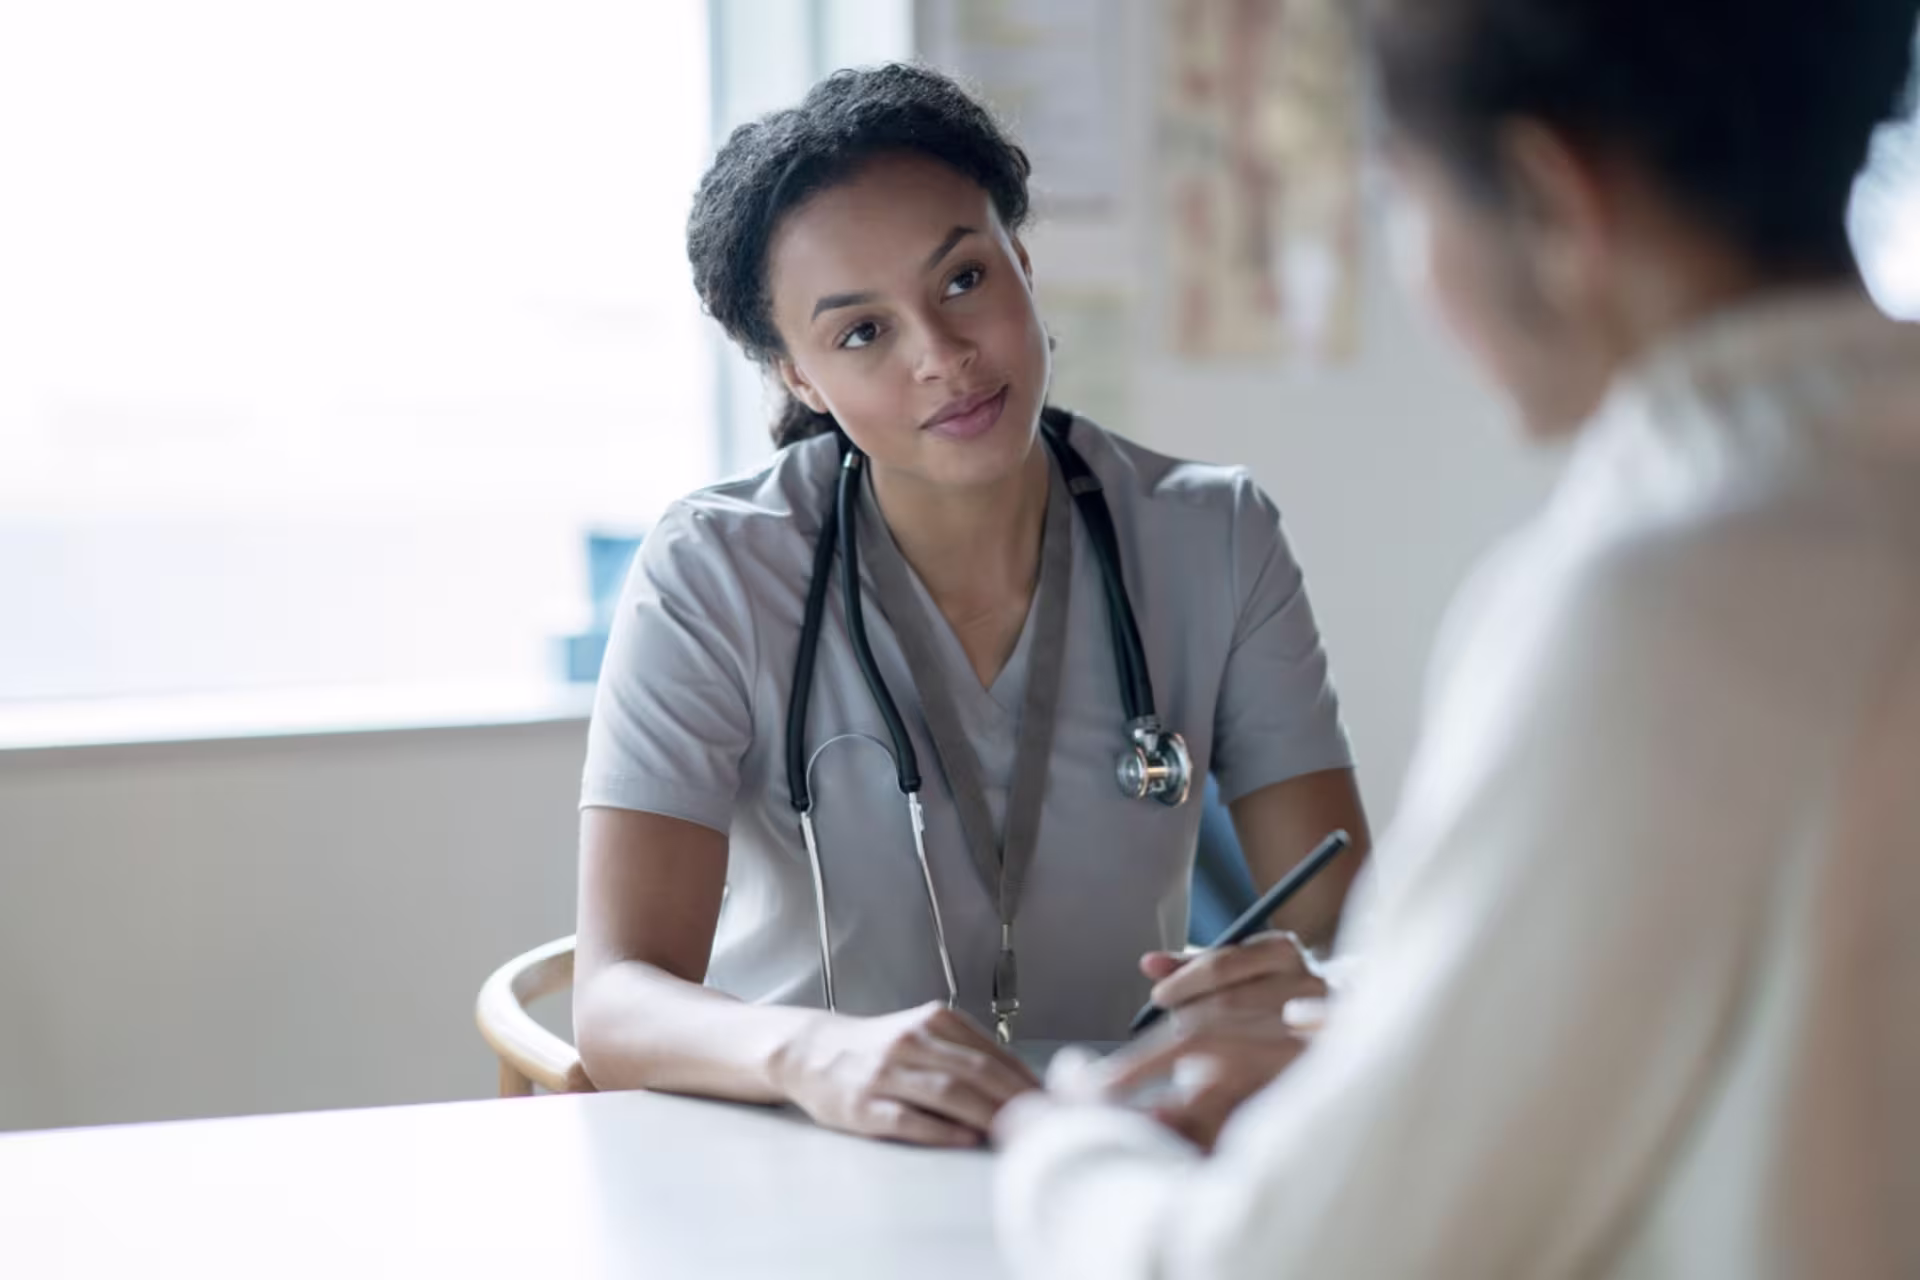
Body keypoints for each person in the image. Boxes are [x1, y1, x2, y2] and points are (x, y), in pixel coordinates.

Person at [994, 0, 1920, 1273]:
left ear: (1549, 197)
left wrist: (1069, 1147)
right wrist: (1371, 1017)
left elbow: (1293, 1260)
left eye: (1400, 200)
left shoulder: (1659, 608)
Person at [571, 64, 1371, 1149]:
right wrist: (812, 1049)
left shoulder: (1216, 536)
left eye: (962, 280)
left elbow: (1342, 924)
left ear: (1025, 267)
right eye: (861, 334)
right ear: (798, 377)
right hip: (810, 1145)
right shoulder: (715, 570)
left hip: (1117, 1140)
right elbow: (617, 996)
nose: (942, 357)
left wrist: (1297, 986)